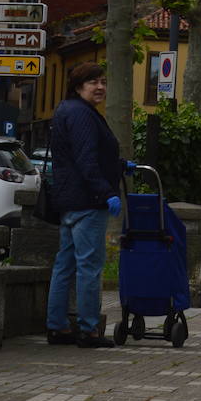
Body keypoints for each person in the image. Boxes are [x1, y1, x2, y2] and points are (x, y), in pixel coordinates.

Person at [44, 62, 128, 349]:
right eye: (93, 82)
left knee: (64, 266)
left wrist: (119, 166)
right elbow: (85, 159)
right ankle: (89, 330)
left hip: (68, 201)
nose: (100, 87)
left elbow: (76, 155)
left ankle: (57, 327)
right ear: (79, 86)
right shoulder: (82, 115)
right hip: (88, 202)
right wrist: (106, 193)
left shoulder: (67, 109)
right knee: (89, 267)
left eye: (103, 81)